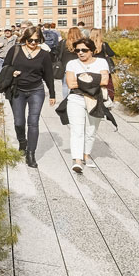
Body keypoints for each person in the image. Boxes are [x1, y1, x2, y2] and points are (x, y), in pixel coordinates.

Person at [6, 26, 56, 168]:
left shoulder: (44, 55)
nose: (33, 43)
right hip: (18, 91)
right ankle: (22, 141)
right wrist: (12, 72)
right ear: (25, 39)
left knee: (33, 122)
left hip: (36, 91)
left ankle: (30, 154)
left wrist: (52, 94)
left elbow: (49, 75)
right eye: (30, 40)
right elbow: (5, 66)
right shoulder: (15, 50)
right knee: (18, 122)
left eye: (37, 40)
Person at [62, 36, 111, 174]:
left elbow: (105, 81)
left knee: (91, 130)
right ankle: (77, 160)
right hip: (76, 98)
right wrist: (94, 79)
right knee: (76, 130)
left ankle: (86, 154)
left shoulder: (101, 62)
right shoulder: (72, 64)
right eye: (77, 50)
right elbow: (71, 84)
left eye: (84, 50)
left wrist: (81, 79)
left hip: (95, 99)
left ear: (92, 51)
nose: (80, 53)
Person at [53, 26, 84, 98]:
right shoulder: (82, 43)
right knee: (79, 84)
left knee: (65, 85)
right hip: (79, 66)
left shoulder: (63, 42)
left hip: (65, 66)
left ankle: (66, 100)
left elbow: (57, 53)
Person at [88, 28, 116, 100]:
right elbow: (111, 53)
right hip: (103, 67)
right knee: (107, 84)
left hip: (92, 66)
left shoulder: (88, 45)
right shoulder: (104, 44)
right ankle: (107, 97)